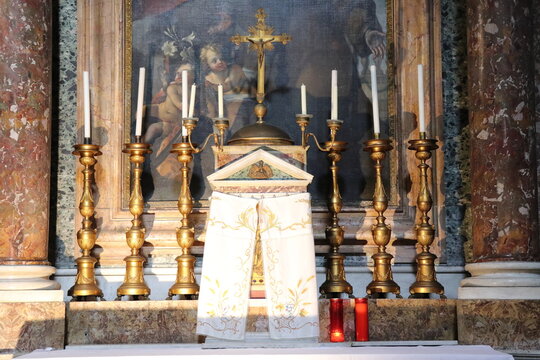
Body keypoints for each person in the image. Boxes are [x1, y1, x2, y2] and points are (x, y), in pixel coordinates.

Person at [200, 44, 255, 134]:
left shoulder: (234, 69)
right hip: (222, 112)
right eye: (214, 61)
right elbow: (209, 104)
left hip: (243, 106)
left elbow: (227, 85)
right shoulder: (207, 79)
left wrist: (212, 85)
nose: (219, 62)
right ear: (207, 64)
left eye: (222, 59)